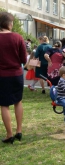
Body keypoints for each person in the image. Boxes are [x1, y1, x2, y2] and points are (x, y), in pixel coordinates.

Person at [0, 12, 27, 144]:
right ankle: (19, 131)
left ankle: (9, 134)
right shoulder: (18, 37)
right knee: (18, 101)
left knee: (4, 105)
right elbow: (23, 59)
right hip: (16, 74)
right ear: (10, 24)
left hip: (1, 76)